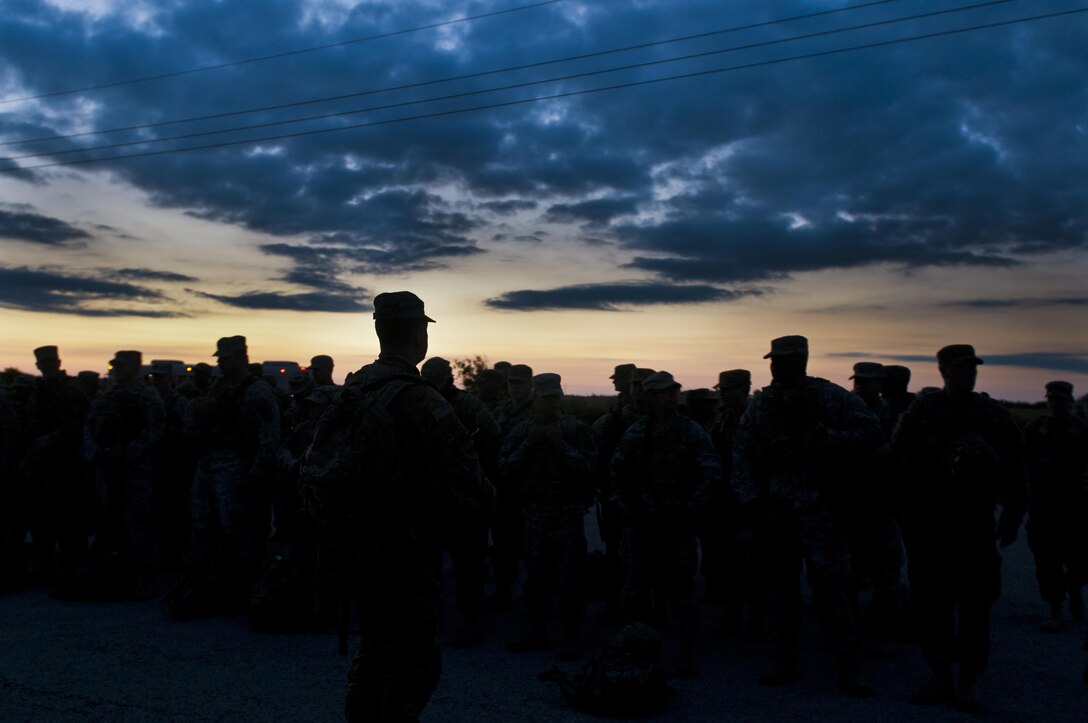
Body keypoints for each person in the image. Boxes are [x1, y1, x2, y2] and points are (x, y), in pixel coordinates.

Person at [329, 291, 491, 722]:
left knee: (374, 649)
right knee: (414, 662)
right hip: (407, 550)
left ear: (380, 329)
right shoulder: (420, 398)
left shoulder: (357, 385)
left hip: (359, 542)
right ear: (419, 333)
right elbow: (470, 479)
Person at [732, 336, 882, 697]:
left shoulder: (828, 396)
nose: (776, 367)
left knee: (832, 592)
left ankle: (850, 665)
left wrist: (824, 437)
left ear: (802, 360)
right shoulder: (762, 405)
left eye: (784, 360)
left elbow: (872, 433)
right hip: (777, 513)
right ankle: (783, 659)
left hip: (823, 513)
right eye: (773, 361)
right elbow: (742, 455)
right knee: (780, 592)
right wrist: (751, 501)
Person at [888, 344, 1027, 712]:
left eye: (973, 368)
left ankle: (968, 678)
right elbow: (895, 460)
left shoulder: (990, 412)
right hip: (930, 526)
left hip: (974, 525)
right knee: (932, 604)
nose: (970, 374)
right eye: (962, 368)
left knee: (976, 605)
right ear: (944, 371)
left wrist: (1013, 516)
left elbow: (1016, 464)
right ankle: (939, 673)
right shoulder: (922, 411)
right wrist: (904, 512)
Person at [611, 371, 721, 678]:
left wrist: (688, 510)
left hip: (678, 521)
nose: (669, 397)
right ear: (649, 398)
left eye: (673, 391)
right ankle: (634, 650)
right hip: (641, 523)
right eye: (661, 392)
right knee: (635, 589)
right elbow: (617, 474)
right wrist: (628, 510)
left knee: (682, 591)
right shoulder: (636, 432)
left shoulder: (691, 431)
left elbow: (711, 472)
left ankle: (685, 653)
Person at [174, 336, 281, 617]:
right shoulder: (219, 386)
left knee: (239, 529)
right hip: (210, 462)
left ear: (241, 357)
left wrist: (256, 472)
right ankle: (208, 582)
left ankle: (254, 589)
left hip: (237, 467)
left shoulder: (257, 390)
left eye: (225, 358)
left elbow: (270, 435)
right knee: (202, 524)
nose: (220, 363)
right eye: (219, 358)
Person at [500, 373, 596, 660]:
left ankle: (569, 636)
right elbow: (504, 467)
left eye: (556, 397)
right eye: (545, 398)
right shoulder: (521, 429)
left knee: (570, 578)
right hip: (534, 513)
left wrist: (561, 446)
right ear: (536, 398)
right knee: (535, 577)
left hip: (566, 513)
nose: (551, 403)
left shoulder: (575, 429)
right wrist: (529, 444)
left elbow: (590, 467)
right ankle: (536, 630)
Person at [421, 356, 501, 647]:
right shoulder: (420, 404)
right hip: (432, 495)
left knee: (468, 564)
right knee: (431, 564)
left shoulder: (466, 405)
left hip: (463, 495)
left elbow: (492, 435)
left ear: (448, 378)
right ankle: (437, 620)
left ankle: (469, 621)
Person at [76, 350, 165, 598]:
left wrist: (129, 452)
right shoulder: (108, 394)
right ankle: (110, 570)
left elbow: (156, 427)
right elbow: (90, 424)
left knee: (139, 520)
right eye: (114, 364)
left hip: (135, 469)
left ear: (135, 366)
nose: (116, 368)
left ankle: (146, 576)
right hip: (108, 466)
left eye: (121, 365)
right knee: (108, 519)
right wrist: (95, 451)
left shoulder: (147, 394)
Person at [1023, 381, 1088, 632]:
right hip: (1044, 506)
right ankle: (1056, 609)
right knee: (1046, 560)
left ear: (1070, 402)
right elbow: (1023, 460)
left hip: (1077, 507)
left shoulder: (1082, 431)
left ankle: (1074, 590)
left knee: (1081, 560)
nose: (1055, 404)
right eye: (1052, 399)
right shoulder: (1036, 429)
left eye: (1060, 399)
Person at [23, 345, 91, 583]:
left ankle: (70, 568)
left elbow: (83, 423)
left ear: (59, 363)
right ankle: (45, 566)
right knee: (41, 519)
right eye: (44, 363)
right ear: (38, 366)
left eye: (52, 362)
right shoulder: (37, 390)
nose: (48, 366)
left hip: (67, 465)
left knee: (68, 519)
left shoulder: (72, 390)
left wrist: (54, 438)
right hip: (41, 466)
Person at [486, 363, 535, 611]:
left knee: (533, 547)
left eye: (519, 383)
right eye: (511, 383)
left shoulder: (540, 412)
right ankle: (504, 591)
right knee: (503, 544)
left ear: (530, 384)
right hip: (504, 489)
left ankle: (536, 598)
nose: (514, 388)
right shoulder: (502, 410)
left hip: (531, 491)